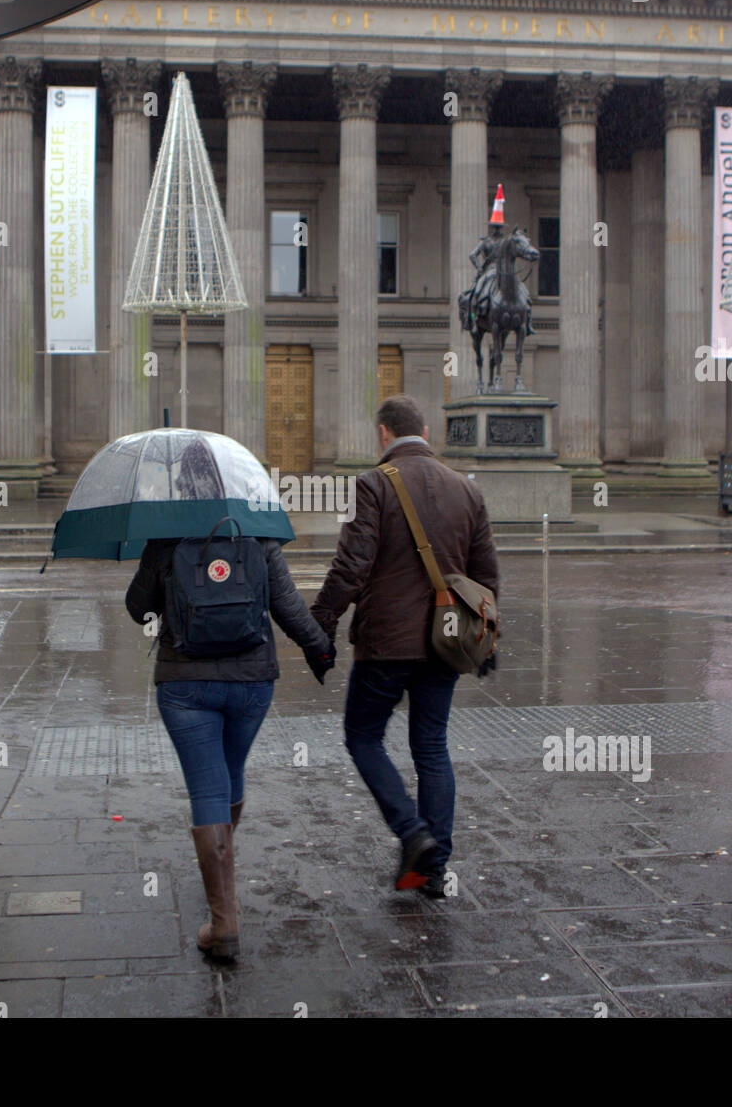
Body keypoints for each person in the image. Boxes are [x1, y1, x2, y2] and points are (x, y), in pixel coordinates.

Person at [125, 497, 334, 963]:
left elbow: (139, 610)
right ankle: (222, 869)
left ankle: (224, 922)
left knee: (207, 788)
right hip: (251, 681)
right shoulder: (257, 533)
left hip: (185, 684)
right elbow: (289, 606)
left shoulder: (165, 534)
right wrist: (319, 649)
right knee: (230, 772)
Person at [311, 394, 499, 899]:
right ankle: (434, 868)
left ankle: (412, 832)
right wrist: (488, 638)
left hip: (387, 643)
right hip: (447, 640)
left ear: (384, 434)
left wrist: (322, 621)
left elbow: (352, 566)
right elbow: (485, 577)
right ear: (427, 433)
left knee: (363, 736)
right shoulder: (467, 489)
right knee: (432, 746)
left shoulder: (373, 483)